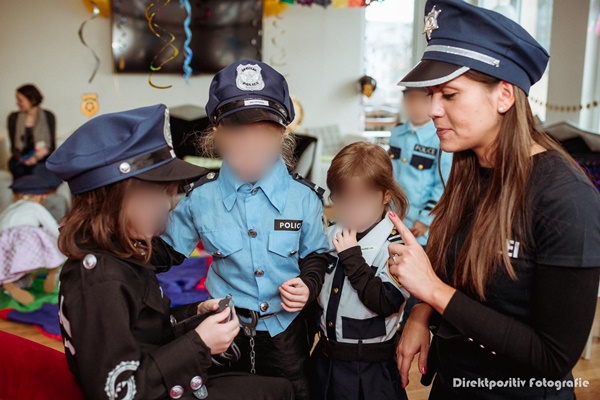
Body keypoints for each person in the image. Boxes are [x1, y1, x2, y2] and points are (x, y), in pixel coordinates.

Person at [387, 1, 600, 399]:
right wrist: (422, 312)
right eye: (431, 94)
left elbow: (553, 357)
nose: (433, 109)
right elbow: (460, 277)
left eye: (449, 94)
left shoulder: (566, 200)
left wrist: (433, 292)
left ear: (503, 96)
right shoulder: (468, 168)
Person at [46, 104, 294, 400]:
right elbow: (119, 391)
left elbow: (142, 328)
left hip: (165, 380)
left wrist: (194, 315)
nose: (167, 205)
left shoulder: (115, 256)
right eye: (156, 194)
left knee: (277, 387)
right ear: (114, 199)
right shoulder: (101, 280)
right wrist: (199, 344)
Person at [158, 59, 330, 400]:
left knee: (296, 394)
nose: (249, 152)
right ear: (217, 135)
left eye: (261, 140)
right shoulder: (200, 199)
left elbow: (317, 255)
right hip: (225, 332)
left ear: (282, 134)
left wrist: (309, 286)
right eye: (237, 139)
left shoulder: (304, 199)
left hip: (285, 333)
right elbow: (165, 253)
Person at [311, 142, 410, 400]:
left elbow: (384, 301)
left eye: (362, 201)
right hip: (325, 360)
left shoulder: (396, 246)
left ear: (386, 195)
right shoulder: (330, 232)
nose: (352, 210)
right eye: (343, 200)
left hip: (370, 369)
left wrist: (351, 257)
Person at [389, 87, 451, 247]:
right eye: (411, 100)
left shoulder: (440, 136)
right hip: (394, 217)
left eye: (423, 100)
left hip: (421, 226)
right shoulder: (396, 133)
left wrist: (426, 220)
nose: (416, 106)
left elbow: (444, 184)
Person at [0, 175, 64, 305]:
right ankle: (53, 270)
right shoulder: (35, 207)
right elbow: (51, 226)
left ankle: (8, 283)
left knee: (17, 269)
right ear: (37, 196)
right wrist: (63, 240)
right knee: (48, 240)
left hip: (5, 246)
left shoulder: (8, 209)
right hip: (27, 242)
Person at [7, 84, 56, 179]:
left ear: (32, 100)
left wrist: (37, 157)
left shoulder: (48, 116)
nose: (17, 103)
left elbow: (51, 146)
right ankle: (23, 192)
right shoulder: (13, 117)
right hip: (21, 158)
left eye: (20, 100)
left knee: (41, 168)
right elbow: (13, 148)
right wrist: (23, 159)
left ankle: (37, 192)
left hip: (42, 157)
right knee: (18, 168)